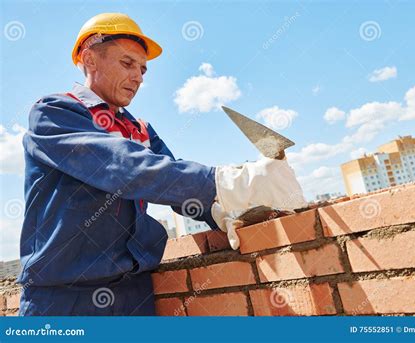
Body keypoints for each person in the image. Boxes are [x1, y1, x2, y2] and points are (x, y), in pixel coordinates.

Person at [18, 13, 307, 316]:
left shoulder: (140, 129)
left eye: (143, 70)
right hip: (62, 298)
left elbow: (174, 183)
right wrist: (228, 182)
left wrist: (228, 213)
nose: (139, 77)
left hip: (134, 291)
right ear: (90, 59)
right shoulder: (55, 113)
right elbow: (124, 167)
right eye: (127, 64)